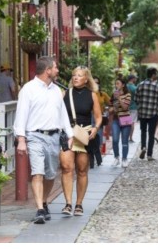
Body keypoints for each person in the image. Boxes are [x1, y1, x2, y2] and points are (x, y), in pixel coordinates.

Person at [13, 56, 74, 224]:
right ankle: (39, 209)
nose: (57, 70)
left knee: (50, 174)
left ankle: (44, 202)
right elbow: (21, 116)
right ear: (47, 70)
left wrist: (70, 135)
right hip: (35, 136)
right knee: (37, 173)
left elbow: (63, 114)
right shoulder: (28, 89)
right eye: (55, 68)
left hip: (54, 137)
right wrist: (21, 139)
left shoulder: (56, 90)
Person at [60, 66, 102, 216]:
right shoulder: (65, 93)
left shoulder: (92, 95)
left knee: (82, 170)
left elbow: (98, 117)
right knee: (66, 167)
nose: (75, 78)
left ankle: (79, 204)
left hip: (84, 135)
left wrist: (96, 129)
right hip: (68, 133)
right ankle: (68, 203)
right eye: (74, 75)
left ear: (86, 79)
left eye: (79, 75)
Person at [135, 67, 158, 161]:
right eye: (157, 73)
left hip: (142, 113)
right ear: (153, 75)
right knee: (151, 134)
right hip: (153, 113)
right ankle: (149, 155)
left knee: (143, 131)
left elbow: (136, 99)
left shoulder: (140, 85)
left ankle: (143, 147)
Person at [109, 77, 132, 168]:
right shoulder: (113, 95)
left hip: (125, 119)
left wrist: (119, 98)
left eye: (118, 83)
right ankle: (116, 157)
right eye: (116, 83)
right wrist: (112, 109)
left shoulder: (128, 95)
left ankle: (124, 159)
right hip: (116, 120)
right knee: (115, 140)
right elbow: (110, 108)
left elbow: (125, 107)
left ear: (123, 85)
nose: (116, 85)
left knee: (125, 141)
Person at [93, 76, 111, 167]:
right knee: (88, 138)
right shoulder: (89, 93)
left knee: (99, 138)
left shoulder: (102, 94)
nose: (96, 84)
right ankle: (90, 159)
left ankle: (98, 159)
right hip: (88, 117)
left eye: (97, 82)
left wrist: (107, 110)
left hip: (98, 117)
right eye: (94, 82)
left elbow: (111, 102)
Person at [126, 74, 138, 143]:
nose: (135, 80)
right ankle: (130, 137)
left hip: (125, 107)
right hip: (133, 107)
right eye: (135, 78)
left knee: (126, 122)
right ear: (132, 79)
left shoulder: (125, 87)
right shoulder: (134, 88)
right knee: (132, 123)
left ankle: (125, 137)